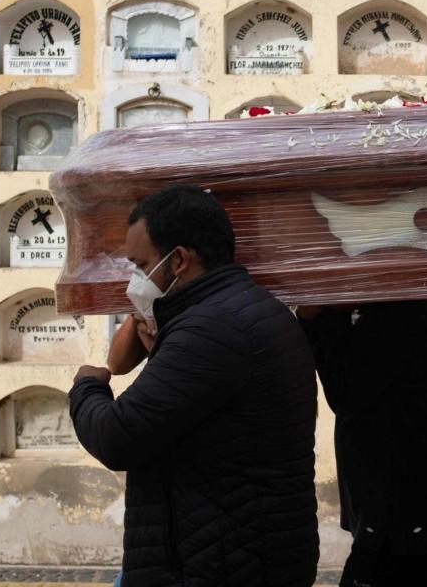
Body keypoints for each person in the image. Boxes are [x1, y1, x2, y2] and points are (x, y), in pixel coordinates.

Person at [69, 186, 319, 587]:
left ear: (180, 260)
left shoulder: (213, 328)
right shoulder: (244, 310)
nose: (135, 278)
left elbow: (116, 437)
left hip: (220, 565)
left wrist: (86, 387)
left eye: (141, 264)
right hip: (239, 553)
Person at [295, 300, 427, 587]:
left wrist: (319, 319)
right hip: (408, 510)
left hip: (405, 514)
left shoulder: (401, 312)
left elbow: (345, 393)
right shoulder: (407, 308)